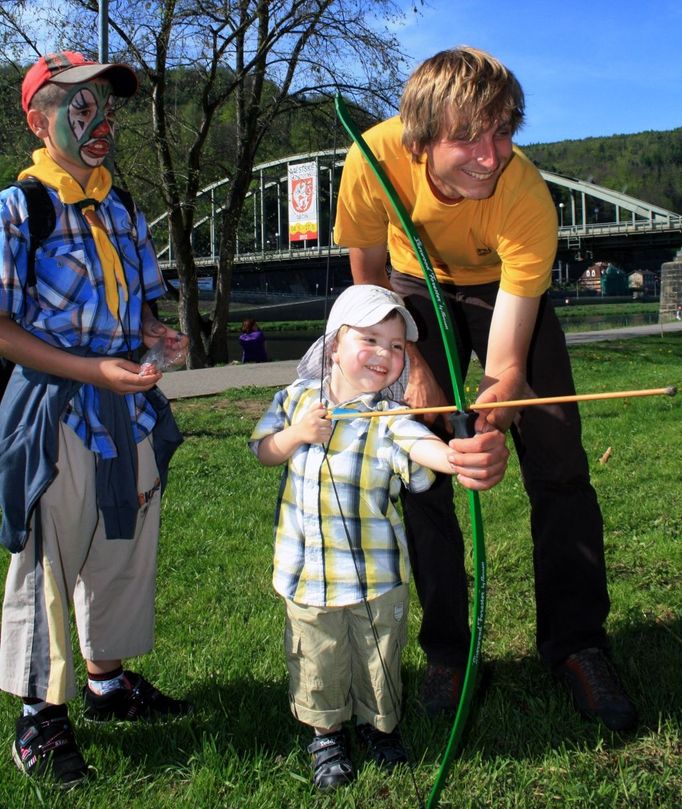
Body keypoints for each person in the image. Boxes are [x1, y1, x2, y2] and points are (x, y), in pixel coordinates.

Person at [334, 46, 638, 731]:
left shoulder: (526, 196)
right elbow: (368, 280)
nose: (489, 153)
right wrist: (411, 362)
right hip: (410, 289)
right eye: (467, 135)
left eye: (502, 131)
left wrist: (493, 421)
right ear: (418, 140)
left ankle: (577, 644)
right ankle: (448, 650)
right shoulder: (372, 158)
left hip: (501, 287)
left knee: (559, 459)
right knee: (422, 469)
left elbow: (506, 361)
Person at [0, 51, 192, 787]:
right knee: (49, 554)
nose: (99, 120)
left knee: (122, 540)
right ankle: (38, 718)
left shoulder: (123, 206)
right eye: (79, 107)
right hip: (57, 409)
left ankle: (106, 682)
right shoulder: (21, 209)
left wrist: (155, 333)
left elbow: (139, 300)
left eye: (105, 106)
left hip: (126, 406)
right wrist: (90, 368)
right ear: (39, 119)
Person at [249, 285, 507, 791]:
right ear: (334, 346)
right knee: (317, 660)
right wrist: (298, 434)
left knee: (378, 661)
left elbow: (424, 447)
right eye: (371, 339)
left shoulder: (389, 418)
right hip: (309, 577)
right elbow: (264, 450)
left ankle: (379, 729)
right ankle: (326, 736)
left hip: (376, 577)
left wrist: (458, 457)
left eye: (395, 347)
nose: (386, 355)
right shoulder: (295, 400)